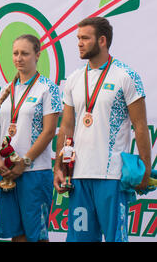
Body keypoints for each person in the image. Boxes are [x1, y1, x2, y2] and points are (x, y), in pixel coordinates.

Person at [54, 17, 151, 242]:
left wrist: (145, 168)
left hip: (112, 176)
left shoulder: (126, 76)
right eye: (78, 38)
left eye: (85, 38)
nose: (79, 43)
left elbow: (140, 126)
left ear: (102, 40)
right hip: (78, 176)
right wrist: (59, 167)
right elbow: (66, 126)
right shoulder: (73, 79)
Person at [0, 34, 62, 242]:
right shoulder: (6, 89)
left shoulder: (48, 88)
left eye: (25, 53)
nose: (19, 58)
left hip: (35, 172)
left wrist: (25, 162)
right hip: (6, 172)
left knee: (37, 236)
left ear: (37, 55)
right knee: (16, 234)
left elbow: (48, 132)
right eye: (15, 53)